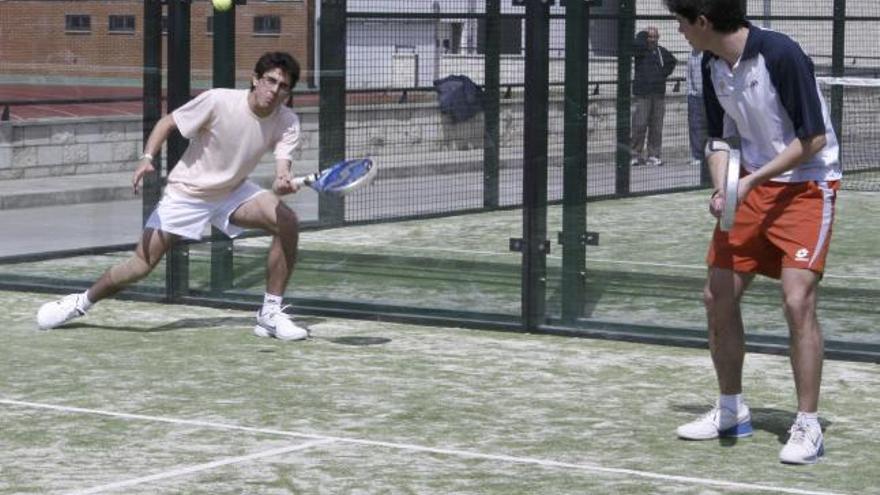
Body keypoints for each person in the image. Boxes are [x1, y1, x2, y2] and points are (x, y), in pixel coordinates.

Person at [664, 0, 842, 465]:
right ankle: (730, 410)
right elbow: (718, 137)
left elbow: (814, 139)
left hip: (808, 183)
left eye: (681, 23)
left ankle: (807, 425)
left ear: (702, 22)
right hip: (751, 183)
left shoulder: (781, 54)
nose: (678, 31)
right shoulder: (706, 62)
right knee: (716, 295)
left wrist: (748, 182)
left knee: (796, 299)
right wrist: (725, 186)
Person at [36, 51, 310, 341]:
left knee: (286, 222)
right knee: (140, 265)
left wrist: (282, 181)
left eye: (283, 86)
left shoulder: (287, 120)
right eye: (270, 81)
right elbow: (167, 122)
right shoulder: (219, 100)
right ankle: (80, 302)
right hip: (187, 193)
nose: (274, 90)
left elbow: (283, 167)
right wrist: (146, 157)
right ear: (255, 79)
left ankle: (269, 314)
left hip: (232, 190)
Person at [630, 26, 677, 167]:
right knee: (639, 124)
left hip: (658, 94)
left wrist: (663, 74)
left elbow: (672, 61)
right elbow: (635, 45)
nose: (653, 40)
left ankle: (653, 155)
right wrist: (643, 35)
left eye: (655, 37)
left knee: (656, 126)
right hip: (643, 94)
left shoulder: (661, 52)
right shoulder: (640, 50)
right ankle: (635, 155)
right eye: (650, 37)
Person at [686, 47, 708, 167]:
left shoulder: (711, 54)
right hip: (695, 96)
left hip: (709, 95)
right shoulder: (692, 55)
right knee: (695, 126)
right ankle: (697, 155)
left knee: (710, 126)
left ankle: (709, 154)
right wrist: (690, 93)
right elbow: (688, 76)